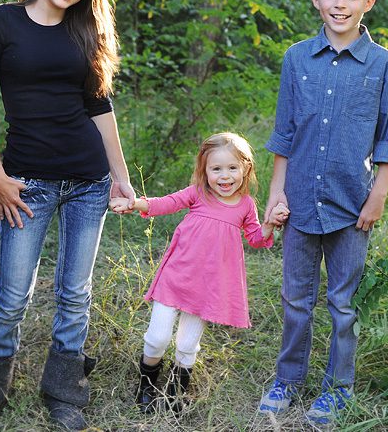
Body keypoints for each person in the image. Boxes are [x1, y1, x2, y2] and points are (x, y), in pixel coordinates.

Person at [0, 0, 135, 430]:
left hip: (87, 181)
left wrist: (120, 177)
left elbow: (99, 106)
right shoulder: (1, 21)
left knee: (75, 293)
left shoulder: (86, 29)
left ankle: (64, 389)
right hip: (26, 181)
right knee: (14, 293)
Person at [257, 0, 388, 425]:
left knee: (343, 304)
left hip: (352, 203)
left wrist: (379, 194)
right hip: (300, 198)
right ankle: (288, 379)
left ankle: (338, 389)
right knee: (295, 300)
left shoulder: (385, 66)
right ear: (316, 0)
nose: (340, 4)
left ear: (368, 2)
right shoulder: (297, 58)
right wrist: (276, 193)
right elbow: (285, 133)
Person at [109, 132, 290, 413]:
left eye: (232, 168)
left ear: (246, 168)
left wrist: (270, 224)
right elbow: (165, 203)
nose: (225, 176)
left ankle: (176, 393)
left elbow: (255, 238)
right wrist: (133, 203)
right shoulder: (198, 194)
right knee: (157, 338)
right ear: (204, 171)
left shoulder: (245, 205)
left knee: (186, 345)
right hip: (176, 278)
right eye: (216, 169)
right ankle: (146, 385)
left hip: (208, 287)